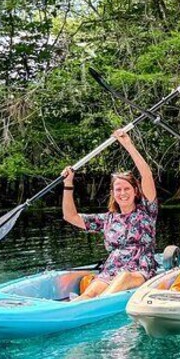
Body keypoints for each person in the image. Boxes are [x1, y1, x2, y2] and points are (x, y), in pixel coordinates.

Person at [61, 128, 158, 299]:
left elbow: (146, 174)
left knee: (124, 278)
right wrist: (68, 184)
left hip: (139, 270)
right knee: (90, 292)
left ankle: (97, 304)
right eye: (118, 189)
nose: (123, 193)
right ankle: (73, 309)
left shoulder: (147, 211)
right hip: (111, 270)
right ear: (113, 193)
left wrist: (128, 144)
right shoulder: (107, 219)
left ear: (136, 191)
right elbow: (70, 216)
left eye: (127, 188)